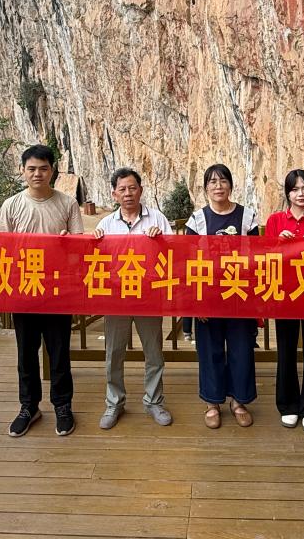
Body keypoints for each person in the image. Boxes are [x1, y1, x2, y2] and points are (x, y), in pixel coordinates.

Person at [0, 144, 83, 437]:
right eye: (31, 169)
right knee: (26, 353)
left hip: (58, 290)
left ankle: (62, 405)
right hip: (24, 289)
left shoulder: (68, 203)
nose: (37, 174)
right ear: (22, 171)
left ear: (52, 171)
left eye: (43, 168)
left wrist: (67, 243)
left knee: (59, 352)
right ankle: (28, 406)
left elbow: (79, 249)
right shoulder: (11, 205)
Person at [93, 168, 174, 429]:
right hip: (116, 297)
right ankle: (114, 403)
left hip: (148, 296)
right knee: (114, 353)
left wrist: (161, 241)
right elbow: (95, 261)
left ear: (141, 190)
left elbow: (174, 253)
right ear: (114, 194)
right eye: (122, 189)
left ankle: (154, 401)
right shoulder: (106, 224)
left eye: (132, 188)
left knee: (154, 352)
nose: (128, 193)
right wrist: (94, 242)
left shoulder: (157, 218)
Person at [184, 164, 259, 429]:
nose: (218, 186)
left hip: (240, 294)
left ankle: (239, 401)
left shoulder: (247, 217)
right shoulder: (197, 220)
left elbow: (257, 258)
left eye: (223, 180)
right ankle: (212, 402)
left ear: (231, 185)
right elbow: (189, 263)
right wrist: (197, 302)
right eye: (213, 182)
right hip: (209, 296)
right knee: (210, 350)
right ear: (206, 188)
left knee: (241, 350)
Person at [265, 169, 304, 433]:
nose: (300, 194)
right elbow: (266, 257)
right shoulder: (275, 221)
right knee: (286, 349)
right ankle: (288, 404)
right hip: (285, 292)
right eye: (294, 189)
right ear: (287, 194)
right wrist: (278, 242)